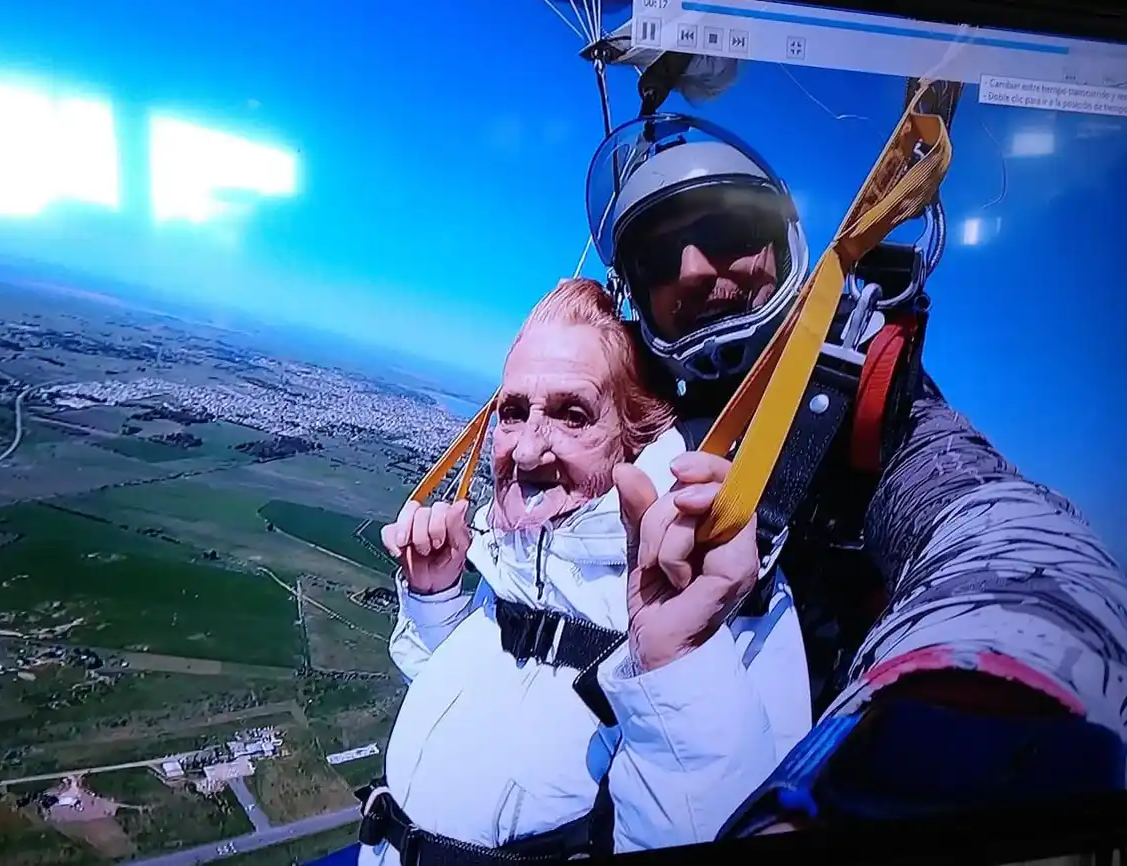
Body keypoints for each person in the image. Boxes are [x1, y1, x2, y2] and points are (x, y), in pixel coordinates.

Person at [584, 112, 1127, 835]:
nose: (691, 268)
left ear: (783, 243)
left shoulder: (860, 406)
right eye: (657, 257)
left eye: (725, 232)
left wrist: (959, 717)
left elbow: (992, 527)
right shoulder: (624, 417)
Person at [354, 277, 811, 865]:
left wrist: (678, 662)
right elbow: (478, 707)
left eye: (573, 416)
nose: (524, 451)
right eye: (513, 413)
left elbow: (725, 819)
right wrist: (436, 598)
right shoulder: (510, 562)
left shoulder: (709, 591)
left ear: (633, 436)